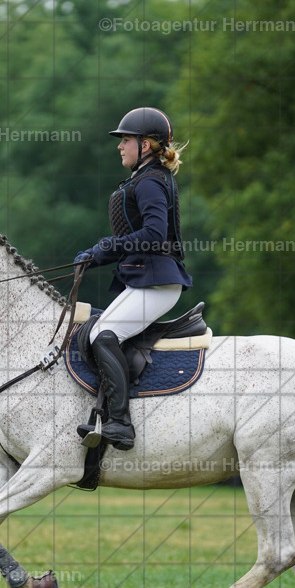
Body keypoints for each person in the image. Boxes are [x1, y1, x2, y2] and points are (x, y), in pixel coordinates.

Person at [74, 107, 193, 450]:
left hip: (158, 282)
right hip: (145, 280)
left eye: (125, 139)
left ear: (146, 145)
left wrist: (105, 248)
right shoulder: (144, 179)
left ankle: (121, 425)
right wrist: (99, 254)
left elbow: (155, 234)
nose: (119, 146)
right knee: (92, 331)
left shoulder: (151, 182)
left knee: (102, 334)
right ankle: (105, 413)